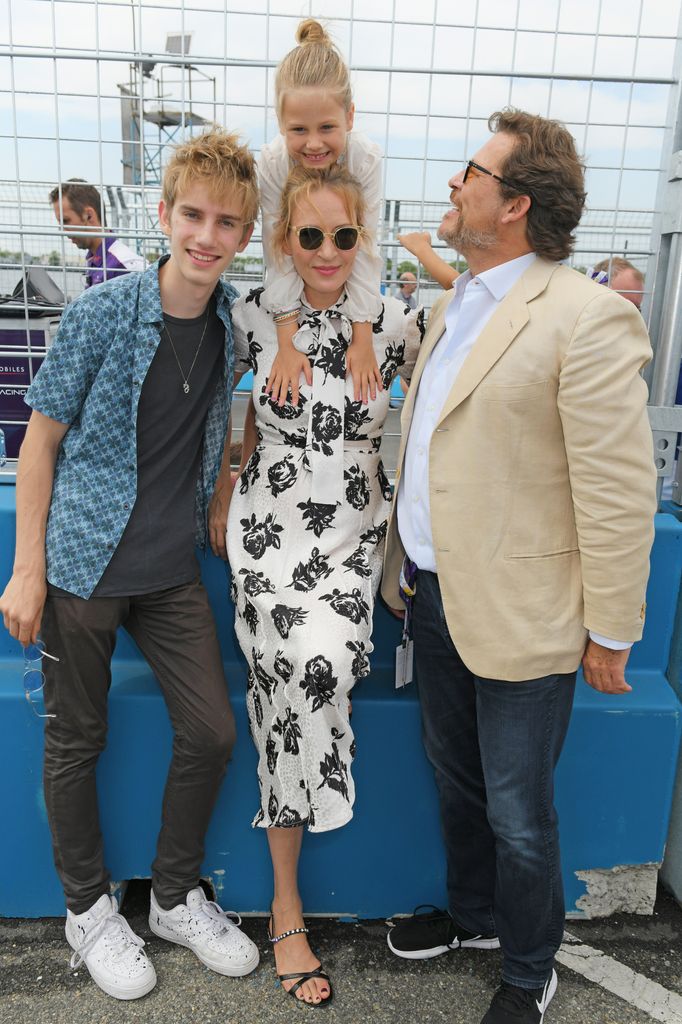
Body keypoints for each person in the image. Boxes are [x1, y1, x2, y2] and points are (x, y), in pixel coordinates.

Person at [382, 108, 656, 1024]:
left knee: (518, 811)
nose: (454, 185)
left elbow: (618, 491)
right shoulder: (458, 299)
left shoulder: (587, 317)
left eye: (471, 171)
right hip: (429, 596)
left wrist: (611, 629)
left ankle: (529, 965)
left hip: (527, 611)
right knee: (454, 779)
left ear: (514, 205)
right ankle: (476, 917)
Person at [1, 130, 260, 1000]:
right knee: (78, 736)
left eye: (227, 223)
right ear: (163, 214)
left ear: (243, 235)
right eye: (193, 215)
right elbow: (39, 444)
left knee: (215, 731)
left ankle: (174, 895)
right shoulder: (100, 314)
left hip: (169, 569)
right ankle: (87, 909)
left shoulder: (229, 322)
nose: (207, 236)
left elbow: (229, 425)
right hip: (80, 560)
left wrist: (220, 501)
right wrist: (26, 567)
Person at [210, 164, 423, 1007]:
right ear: (283, 241)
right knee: (286, 678)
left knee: (321, 667)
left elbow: (458, 401)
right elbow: (226, 412)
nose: (327, 252)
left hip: (350, 536)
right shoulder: (253, 317)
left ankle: (286, 902)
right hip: (269, 533)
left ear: (361, 241)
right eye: (310, 236)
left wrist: (412, 530)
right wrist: (224, 490)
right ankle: (287, 906)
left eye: (344, 236)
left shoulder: (399, 326)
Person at [258, 18, 385, 407]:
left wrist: (362, 337)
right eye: (298, 130)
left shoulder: (365, 159)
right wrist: (286, 341)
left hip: (345, 283)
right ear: (280, 124)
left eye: (327, 127)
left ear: (350, 116)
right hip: (297, 287)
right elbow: (277, 250)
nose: (314, 144)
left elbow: (365, 245)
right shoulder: (274, 163)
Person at [50, 179, 146, 288]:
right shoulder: (97, 259)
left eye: (66, 221)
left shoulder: (124, 265)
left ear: (88, 215)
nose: (63, 231)